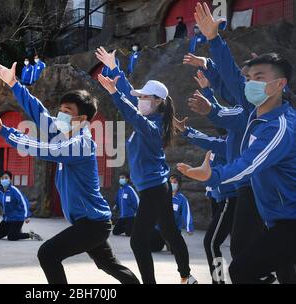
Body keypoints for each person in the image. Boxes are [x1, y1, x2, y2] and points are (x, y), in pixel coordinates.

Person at [0, 60, 140, 284]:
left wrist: (6, 133)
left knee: (47, 254)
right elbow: (39, 112)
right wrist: (14, 84)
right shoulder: (64, 132)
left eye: (67, 112)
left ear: (82, 119)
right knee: (108, 264)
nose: (61, 115)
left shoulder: (82, 143)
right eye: (61, 110)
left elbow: (45, 150)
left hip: (92, 224)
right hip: (90, 222)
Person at [177, 6, 296, 283]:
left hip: (254, 197)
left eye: (259, 78)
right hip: (272, 212)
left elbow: (250, 162)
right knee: (279, 268)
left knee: (235, 262)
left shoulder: (277, 126)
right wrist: (214, 41)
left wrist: (214, 175)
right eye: (250, 78)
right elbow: (231, 78)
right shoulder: (257, 110)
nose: (250, 84)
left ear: (280, 85)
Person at [95, 46, 197, 284]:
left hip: (153, 189)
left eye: (144, 97)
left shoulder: (152, 126)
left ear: (159, 102)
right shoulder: (149, 116)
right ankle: (187, 276)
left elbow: (131, 113)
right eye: (140, 97)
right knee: (171, 233)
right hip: (156, 186)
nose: (139, 100)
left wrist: (114, 94)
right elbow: (128, 95)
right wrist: (113, 67)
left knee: (138, 240)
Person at [174, 112, 237, 284]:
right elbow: (207, 141)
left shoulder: (233, 142)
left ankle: (219, 281)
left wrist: (186, 130)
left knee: (211, 243)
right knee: (234, 245)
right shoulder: (220, 142)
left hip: (230, 198)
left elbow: (206, 140)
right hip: (219, 198)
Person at [0, 170, 43, 241]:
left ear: (10, 179)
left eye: (6, 178)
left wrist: (27, 216)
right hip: (7, 219)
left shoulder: (14, 190)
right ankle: (15, 231)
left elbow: (24, 202)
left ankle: (30, 234)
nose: (4, 180)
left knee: (12, 237)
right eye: (2, 178)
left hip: (17, 218)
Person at [151, 174, 194, 252]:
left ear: (178, 185)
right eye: (170, 182)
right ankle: (163, 242)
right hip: (159, 228)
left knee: (176, 251)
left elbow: (186, 214)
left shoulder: (182, 199)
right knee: (152, 248)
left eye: (174, 182)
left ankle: (178, 240)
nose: (172, 184)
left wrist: (189, 227)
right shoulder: (161, 196)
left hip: (173, 229)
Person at [112, 173, 139, 237]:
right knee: (115, 232)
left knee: (129, 234)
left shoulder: (130, 189)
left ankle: (134, 226)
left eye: (122, 178)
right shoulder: (120, 190)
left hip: (130, 216)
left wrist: (136, 211)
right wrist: (116, 207)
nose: (121, 179)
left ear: (127, 179)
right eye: (120, 178)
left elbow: (136, 202)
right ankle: (127, 227)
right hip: (122, 217)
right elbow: (117, 201)